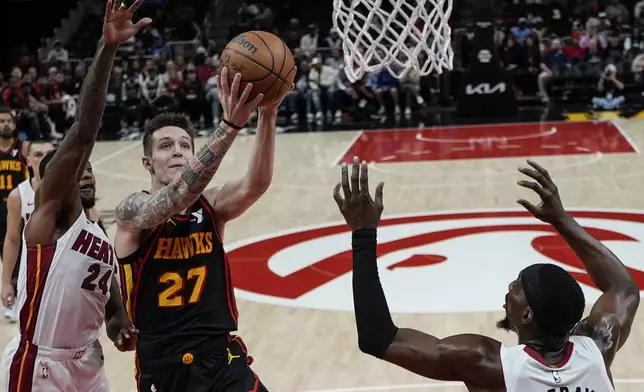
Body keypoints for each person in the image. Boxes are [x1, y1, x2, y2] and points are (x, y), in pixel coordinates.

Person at [334, 157, 640, 391]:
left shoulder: (489, 365)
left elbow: (378, 338)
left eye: (519, 287)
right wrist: (562, 220)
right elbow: (623, 289)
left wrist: (363, 235)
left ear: (527, 316)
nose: (510, 286)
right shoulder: (599, 342)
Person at [0, 1, 151, 391]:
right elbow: (85, 129)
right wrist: (108, 48)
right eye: (71, 169)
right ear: (53, 184)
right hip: (40, 364)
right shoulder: (49, 223)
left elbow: (113, 308)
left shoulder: (99, 238)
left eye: (87, 167)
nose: (83, 171)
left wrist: (121, 331)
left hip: (89, 362)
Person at [113, 66, 288, 392]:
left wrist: (269, 113)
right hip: (164, 364)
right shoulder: (132, 211)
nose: (177, 150)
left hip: (220, 356)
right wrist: (230, 125)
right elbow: (176, 196)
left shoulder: (211, 204)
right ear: (147, 162)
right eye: (165, 146)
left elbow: (256, 184)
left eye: (184, 145)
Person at [1, 140, 54, 322]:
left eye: (49, 153)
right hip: (32, 274)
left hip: (66, 272)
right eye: (38, 155)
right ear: (28, 161)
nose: (44, 158)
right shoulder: (19, 195)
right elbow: (12, 239)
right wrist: (6, 282)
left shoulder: (70, 190)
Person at [0, 107, 30, 322]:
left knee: (17, 252)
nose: (6, 125)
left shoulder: (23, 149)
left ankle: (16, 296)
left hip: (17, 208)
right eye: (1, 121)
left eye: (8, 121)